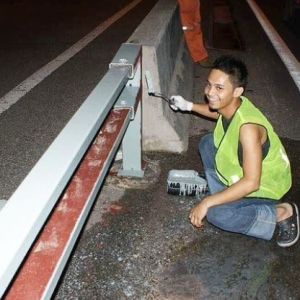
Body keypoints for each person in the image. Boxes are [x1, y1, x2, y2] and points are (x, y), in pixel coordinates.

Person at [170, 55, 299, 247]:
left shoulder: (248, 129)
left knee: (219, 214)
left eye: (219, 88)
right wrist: (187, 106)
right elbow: (214, 110)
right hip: (242, 176)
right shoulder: (232, 104)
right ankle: (222, 192)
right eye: (209, 85)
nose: (210, 92)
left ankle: (283, 212)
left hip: (266, 186)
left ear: (238, 91)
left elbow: (251, 183)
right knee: (207, 143)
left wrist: (207, 203)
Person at [178, 0, 211, 67]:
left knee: (196, 28)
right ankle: (200, 56)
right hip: (188, 7)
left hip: (193, 4)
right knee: (192, 32)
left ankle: (201, 55)